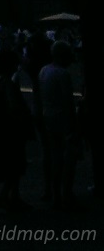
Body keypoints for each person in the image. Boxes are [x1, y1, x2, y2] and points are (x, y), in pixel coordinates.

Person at [0, 49, 34, 209]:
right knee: (15, 163)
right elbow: (13, 106)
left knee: (13, 163)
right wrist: (23, 119)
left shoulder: (2, 80)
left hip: (2, 127)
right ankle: (7, 196)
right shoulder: (8, 83)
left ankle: (13, 196)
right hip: (11, 128)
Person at [39, 41, 77, 210]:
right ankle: (66, 195)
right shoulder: (63, 74)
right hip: (62, 119)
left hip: (48, 116)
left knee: (55, 157)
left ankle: (55, 194)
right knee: (68, 159)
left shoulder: (44, 70)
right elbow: (68, 101)